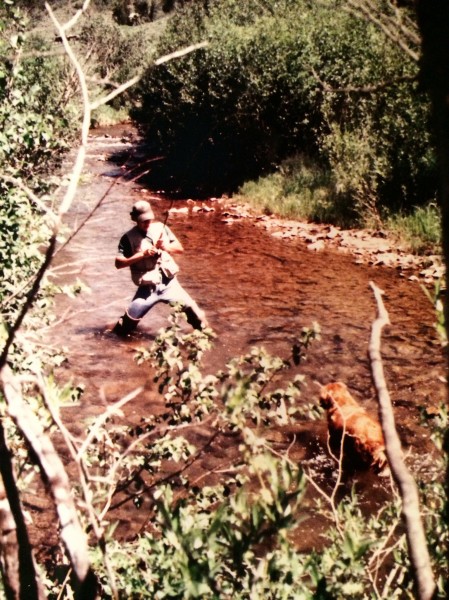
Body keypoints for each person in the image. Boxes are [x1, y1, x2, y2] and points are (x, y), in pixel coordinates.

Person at [112, 200, 207, 336]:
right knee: (125, 327)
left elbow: (180, 249)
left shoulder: (162, 228)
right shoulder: (127, 238)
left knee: (197, 316)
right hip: (147, 289)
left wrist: (165, 247)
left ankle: (206, 339)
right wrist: (142, 255)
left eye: (149, 219)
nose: (147, 223)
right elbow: (119, 264)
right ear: (135, 219)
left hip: (170, 283)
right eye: (143, 220)